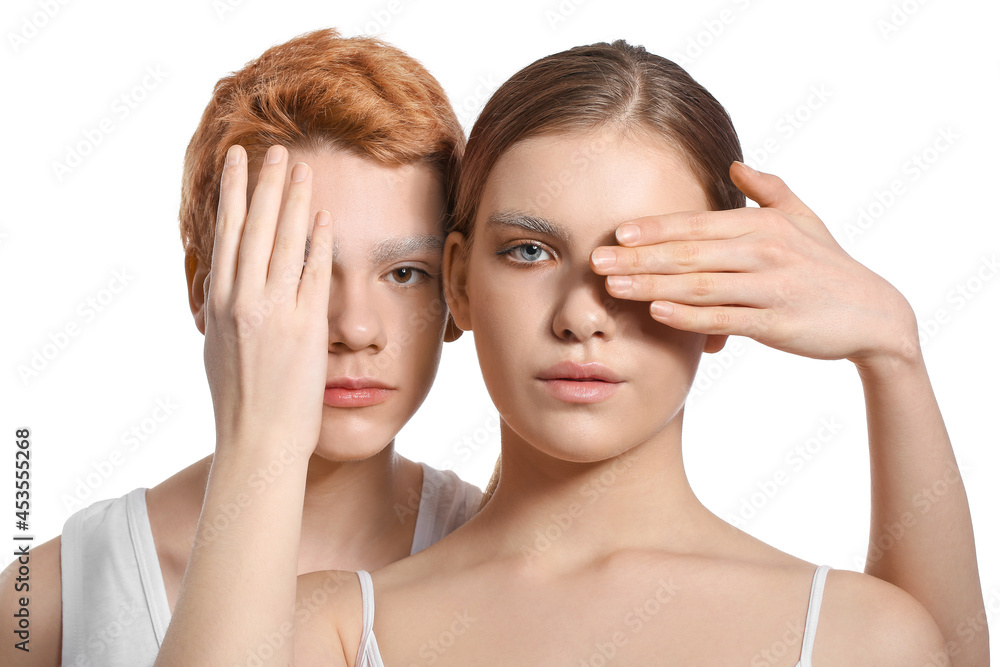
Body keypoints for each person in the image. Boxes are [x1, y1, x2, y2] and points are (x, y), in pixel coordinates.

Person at [154, 40, 987, 666]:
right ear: (458, 284)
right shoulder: (325, 628)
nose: (582, 316)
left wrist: (894, 349)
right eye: (528, 252)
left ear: (722, 300)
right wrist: (260, 430)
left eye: (640, 262)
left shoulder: (862, 633)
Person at [0, 28, 482, 667]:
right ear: (205, 291)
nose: (356, 327)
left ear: (455, 294)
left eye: (404, 273)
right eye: (295, 267)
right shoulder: (50, 597)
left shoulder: (497, 549)